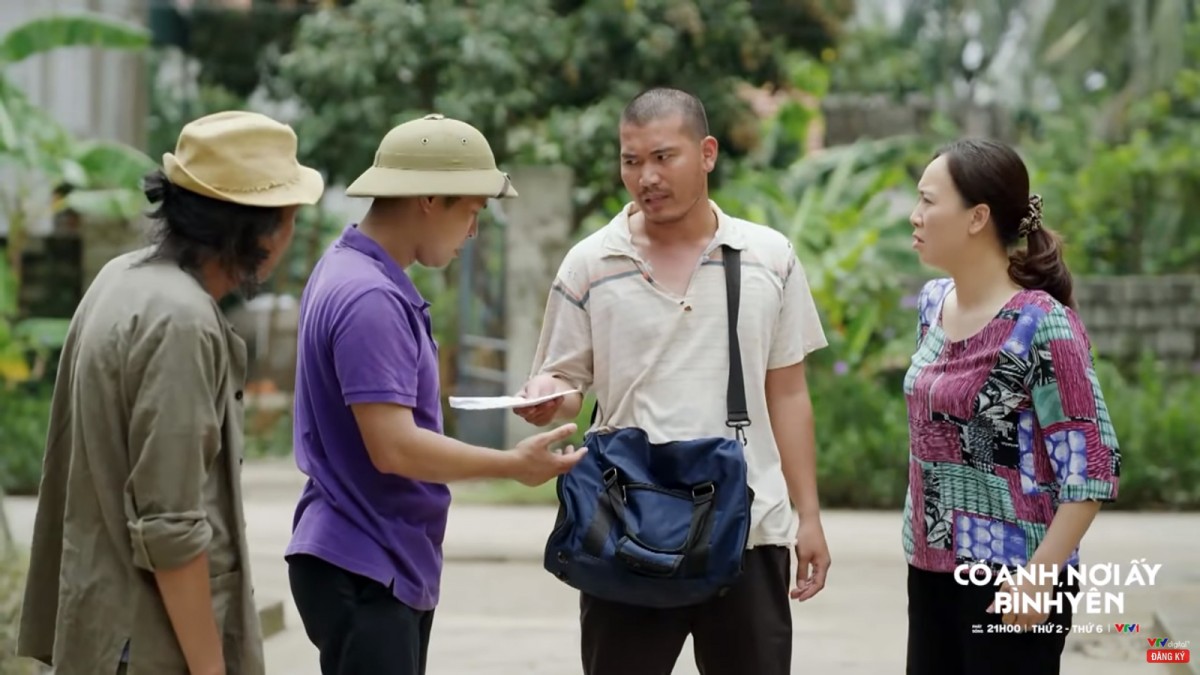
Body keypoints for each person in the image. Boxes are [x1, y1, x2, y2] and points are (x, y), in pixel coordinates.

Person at [515, 87, 832, 675]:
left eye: (664, 157)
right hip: (625, 521)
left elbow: (786, 391)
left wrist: (808, 516)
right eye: (631, 161)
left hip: (750, 525)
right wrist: (547, 398)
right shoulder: (590, 263)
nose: (645, 177)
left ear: (707, 153)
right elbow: (563, 379)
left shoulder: (768, 256)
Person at [17, 110, 325, 675]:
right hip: (147, 644)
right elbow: (171, 525)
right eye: (288, 217)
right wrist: (211, 669)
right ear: (255, 228)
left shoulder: (120, 277)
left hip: (101, 625)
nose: (291, 234)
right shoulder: (182, 321)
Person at [283, 113, 586, 675]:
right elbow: (393, 448)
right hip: (364, 559)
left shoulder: (350, 271)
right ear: (428, 199)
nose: (473, 231)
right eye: (470, 211)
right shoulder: (369, 296)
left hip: (372, 554)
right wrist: (513, 464)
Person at [902, 138, 1121, 674]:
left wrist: (1039, 576)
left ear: (978, 217)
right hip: (931, 565)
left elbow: (1093, 466)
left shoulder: (1042, 323)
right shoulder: (933, 303)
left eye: (929, 201)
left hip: (1015, 578)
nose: (915, 215)